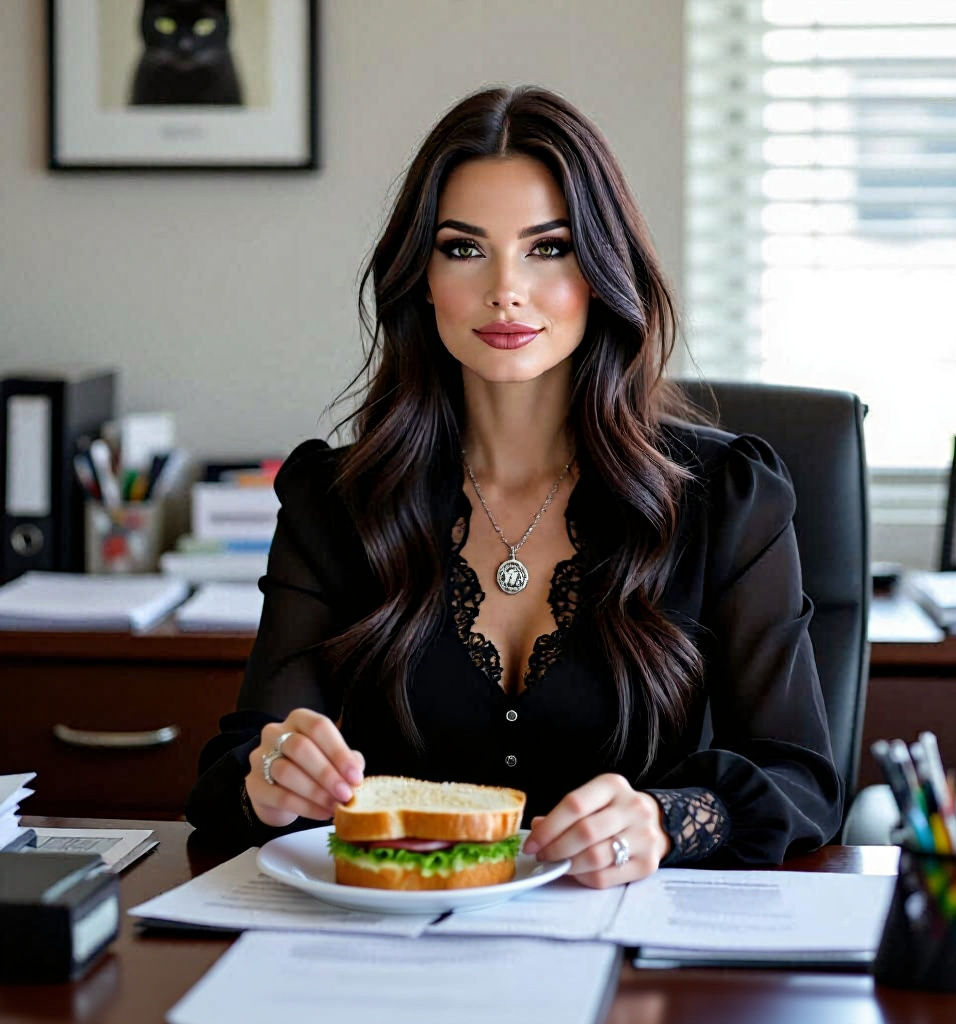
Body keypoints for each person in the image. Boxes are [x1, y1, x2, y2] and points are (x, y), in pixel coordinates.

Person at [185, 85, 842, 887]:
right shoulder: (334, 500)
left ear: (601, 271)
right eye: (464, 248)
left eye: (549, 247)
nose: (505, 288)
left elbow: (803, 781)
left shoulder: (726, 495)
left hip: (631, 965)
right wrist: (273, 776)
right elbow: (233, 771)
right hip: (392, 954)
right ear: (420, 278)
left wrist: (666, 820)